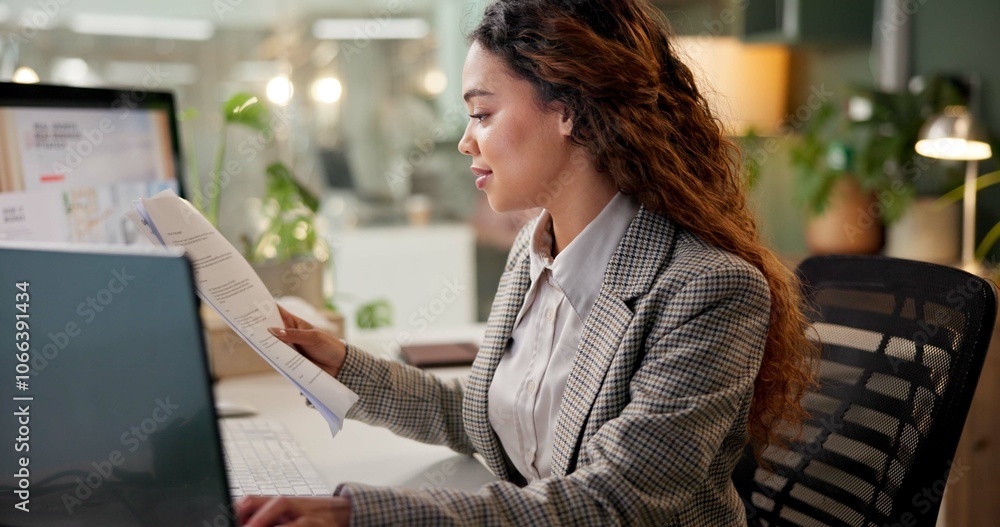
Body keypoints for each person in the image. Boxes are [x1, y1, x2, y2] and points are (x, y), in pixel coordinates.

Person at [237, 0, 815, 525]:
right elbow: (487, 418)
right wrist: (342, 367)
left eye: (482, 114)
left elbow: (614, 502)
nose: (467, 141)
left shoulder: (709, 289)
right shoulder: (535, 249)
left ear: (567, 111)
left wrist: (361, 516)